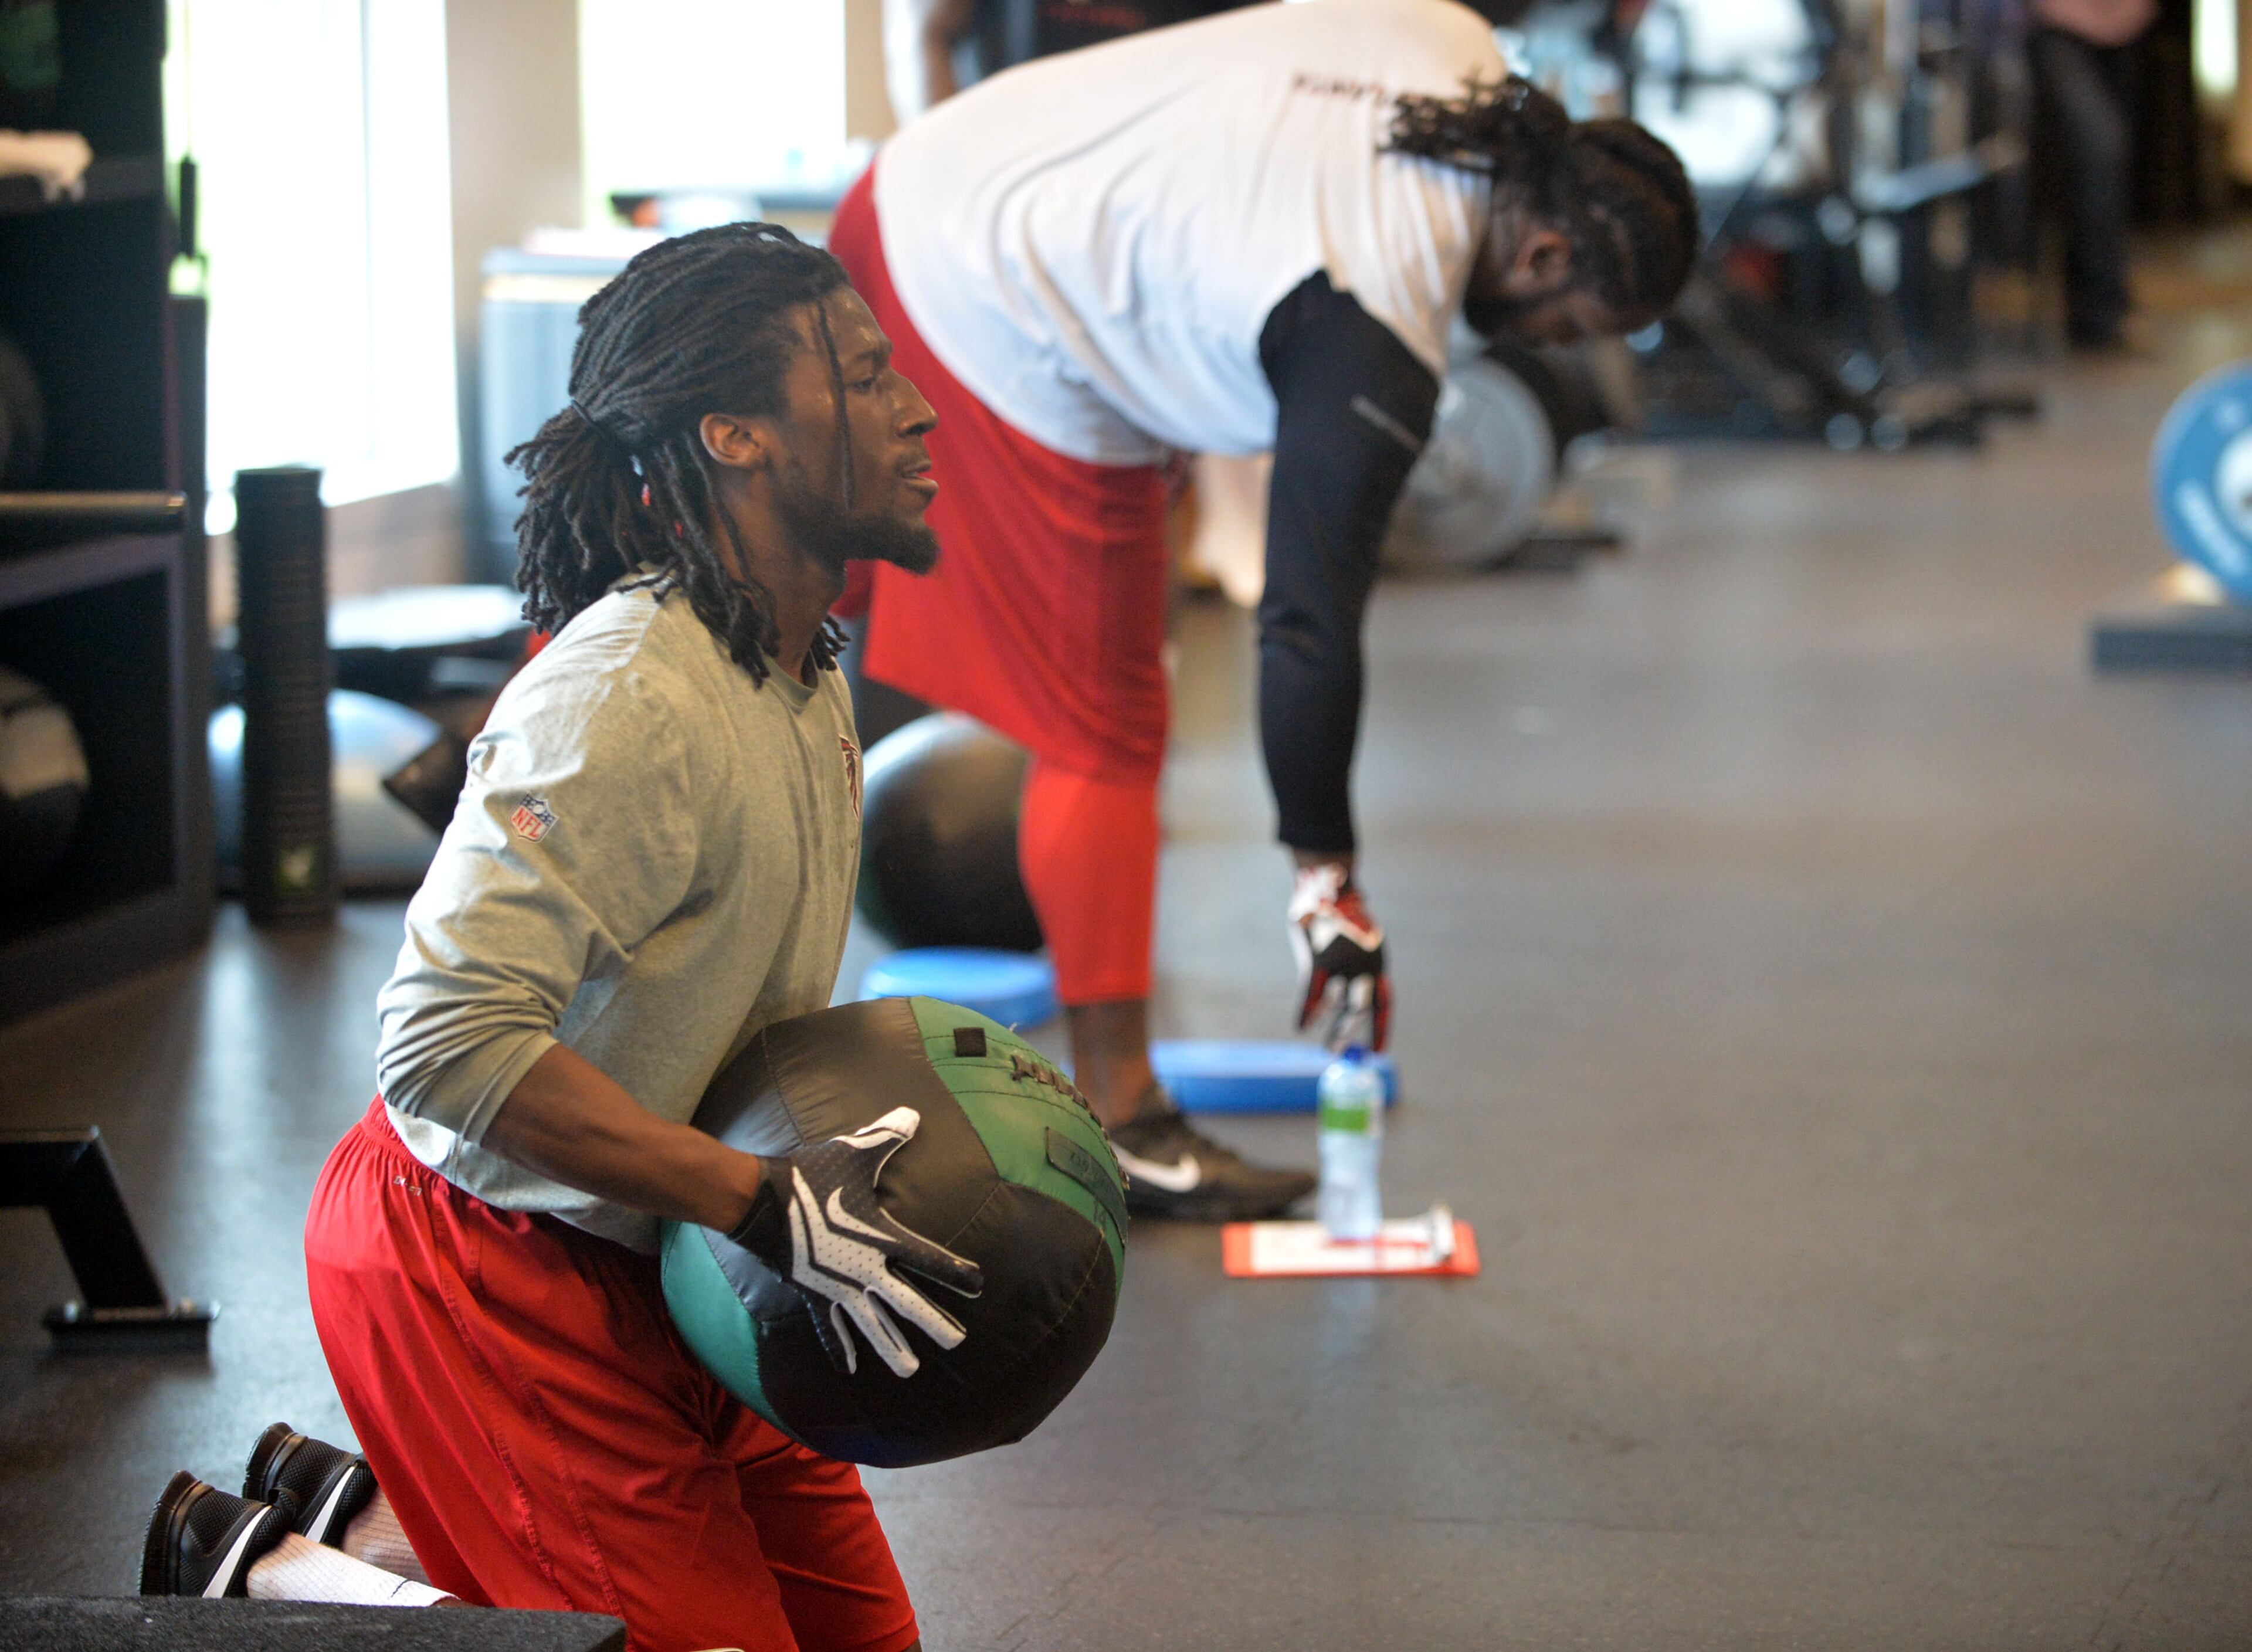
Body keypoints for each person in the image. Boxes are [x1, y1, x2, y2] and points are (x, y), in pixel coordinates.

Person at [142, 221, 956, 1652]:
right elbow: (442, 1045)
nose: (916, 407)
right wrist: (756, 1198)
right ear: (735, 435)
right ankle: (270, 1572)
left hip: (689, 1252)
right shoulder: (624, 699)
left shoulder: (801, 667)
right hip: (489, 1259)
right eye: (867, 375)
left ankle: (369, 1510)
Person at [832, 0, 1698, 1221]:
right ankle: (1125, 1123)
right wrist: (1325, 876)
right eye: (1573, 326)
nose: (1553, 342)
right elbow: (1305, 620)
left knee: (811, 583)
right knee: (1109, 725)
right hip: (991, 281)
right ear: (1548, 255)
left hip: (936, 181)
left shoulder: (1456, 50)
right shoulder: (1382, 309)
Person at [2029, 0, 2154, 350]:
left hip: (2125, 27)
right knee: (2099, 152)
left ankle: (2096, 313)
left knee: (2108, 171)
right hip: (2058, 24)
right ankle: (2102, 308)